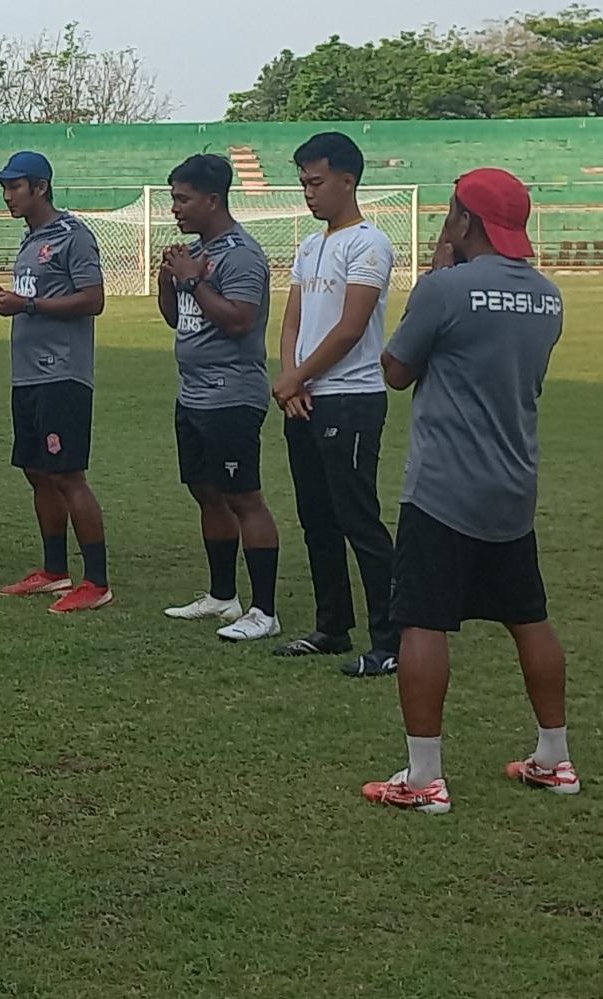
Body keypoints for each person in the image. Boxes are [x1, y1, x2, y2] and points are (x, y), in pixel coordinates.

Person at [361, 169, 575, 813]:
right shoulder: (549, 296)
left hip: (444, 485)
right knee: (528, 616)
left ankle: (424, 776)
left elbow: (395, 372)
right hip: (513, 483)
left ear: (462, 222)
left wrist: (432, 277)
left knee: (422, 618)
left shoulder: (446, 290)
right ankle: (554, 757)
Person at [272, 131, 399, 676]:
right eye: (303, 183)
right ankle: (332, 626)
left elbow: (351, 328)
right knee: (316, 518)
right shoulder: (309, 245)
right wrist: (291, 379)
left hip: (350, 401)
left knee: (358, 519)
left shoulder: (369, 243)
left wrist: (298, 377)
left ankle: (391, 640)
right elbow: (293, 320)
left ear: (348, 180)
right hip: (305, 400)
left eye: (316, 182)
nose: (308, 193)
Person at [155, 155, 285, 640]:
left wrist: (192, 279)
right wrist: (168, 281)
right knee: (206, 492)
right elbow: (175, 317)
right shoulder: (194, 250)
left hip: (232, 394)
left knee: (243, 496)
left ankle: (265, 612)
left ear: (213, 199)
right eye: (173, 199)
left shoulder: (241, 254)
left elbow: (238, 320)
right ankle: (222, 596)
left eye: (183, 199)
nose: (175, 209)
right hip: (192, 395)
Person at [0, 152, 112, 613]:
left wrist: (27, 307)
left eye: (14, 187)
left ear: (40, 187)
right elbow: (32, 298)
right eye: (4, 188)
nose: (7, 196)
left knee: (68, 474)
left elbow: (93, 300)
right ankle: (55, 571)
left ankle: (97, 581)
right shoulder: (30, 240)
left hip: (63, 373)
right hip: (28, 374)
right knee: (37, 472)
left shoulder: (73, 235)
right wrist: (3, 298)